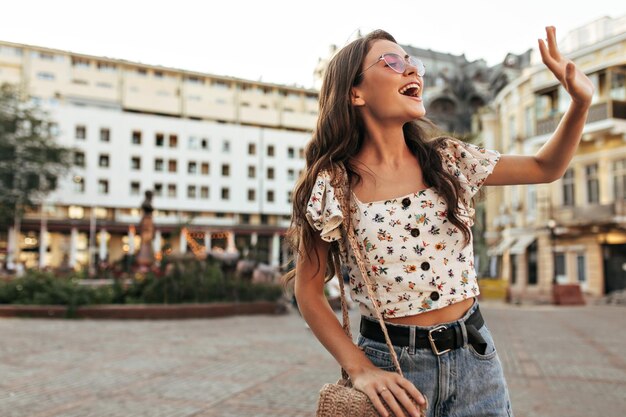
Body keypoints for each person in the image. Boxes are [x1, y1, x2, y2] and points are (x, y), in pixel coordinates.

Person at [284, 27, 592, 417]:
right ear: (354, 93)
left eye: (414, 63)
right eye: (393, 62)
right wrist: (359, 369)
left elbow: (545, 167)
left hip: (476, 359)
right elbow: (308, 293)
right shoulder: (333, 184)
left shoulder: (448, 160)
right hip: (393, 371)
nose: (412, 71)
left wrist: (580, 103)